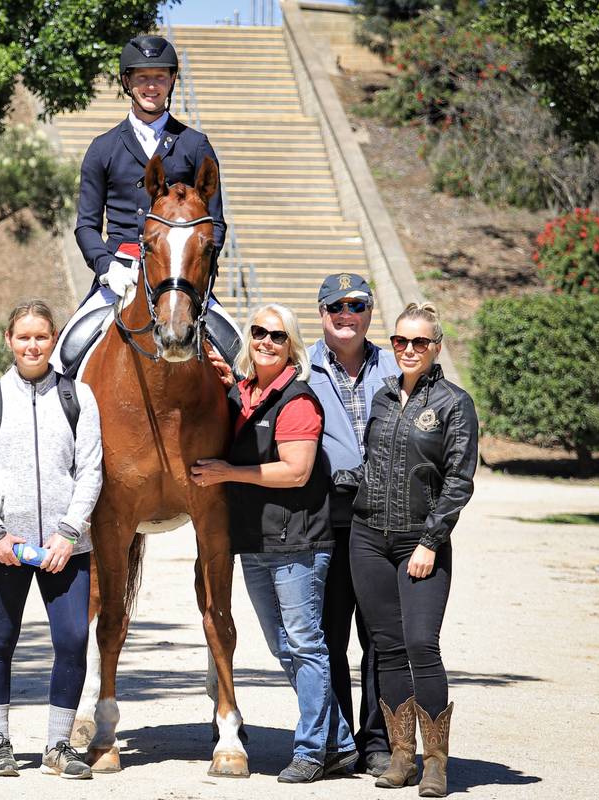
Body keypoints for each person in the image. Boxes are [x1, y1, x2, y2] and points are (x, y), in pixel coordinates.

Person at [190, 303, 356, 784]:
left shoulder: (298, 400)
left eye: (277, 336)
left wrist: (228, 473)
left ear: (292, 347)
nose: (266, 341)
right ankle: (340, 742)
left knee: (305, 645)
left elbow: (296, 471)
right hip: (258, 543)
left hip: (298, 543)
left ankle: (311, 750)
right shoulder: (244, 394)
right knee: (283, 646)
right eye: (259, 332)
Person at [0, 300, 103, 780]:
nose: (33, 345)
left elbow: (90, 470)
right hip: (2, 546)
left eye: (41, 336)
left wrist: (69, 531)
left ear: (54, 339)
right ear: (9, 340)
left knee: (73, 640)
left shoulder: (78, 396)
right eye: (23, 337)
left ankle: (58, 746)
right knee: (0, 641)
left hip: (66, 547)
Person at [340, 302, 478, 797]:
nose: (409, 350)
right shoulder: (382, 397)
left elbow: (459, 480)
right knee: (389, 648)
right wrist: (341, 478)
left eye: (420, 341)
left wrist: (429, 541)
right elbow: (375, 464)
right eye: (400, 341)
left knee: (421, 643)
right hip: (367, 538)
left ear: (436, 346)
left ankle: (435, 763)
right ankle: (402, 756)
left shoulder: (454, 403)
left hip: (420, 541)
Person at [55, 34, 239, 373]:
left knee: (239, 356)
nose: (151, 86)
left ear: (171, 81)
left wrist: (194, 268)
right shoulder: (103, 148)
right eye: (142, 77)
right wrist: (106, 267)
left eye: (159, 77)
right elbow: (86, 226)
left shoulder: (195, 145)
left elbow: (215, 222)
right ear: (127, 82)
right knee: (63, 356)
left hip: (180, 277)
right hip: (120, 273)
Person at [306, 272, 398, 776]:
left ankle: (378, 740)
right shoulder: (302, 367)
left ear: (369, 313)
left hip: (385, 522)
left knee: (380, 638)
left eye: (357, 306)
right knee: (330, 636)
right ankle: (339, 736)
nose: (347, 315)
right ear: (322, 313)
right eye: (336, 306)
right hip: (329, 522)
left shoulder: (396, 366)